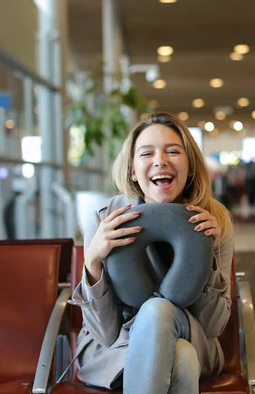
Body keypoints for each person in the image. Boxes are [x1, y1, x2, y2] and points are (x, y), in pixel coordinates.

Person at [69, 112, 234, 393]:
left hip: (192, 333)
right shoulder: (107, 219)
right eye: (147, 153)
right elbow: (104, 333)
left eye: (173, 151)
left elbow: (212, 326)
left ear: (191, 166)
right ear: (133, 169)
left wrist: (210, 257)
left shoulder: (213, 220)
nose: (161, 161)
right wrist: (93, 260)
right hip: (116, 350)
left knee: (158, 311)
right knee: (181, 358)